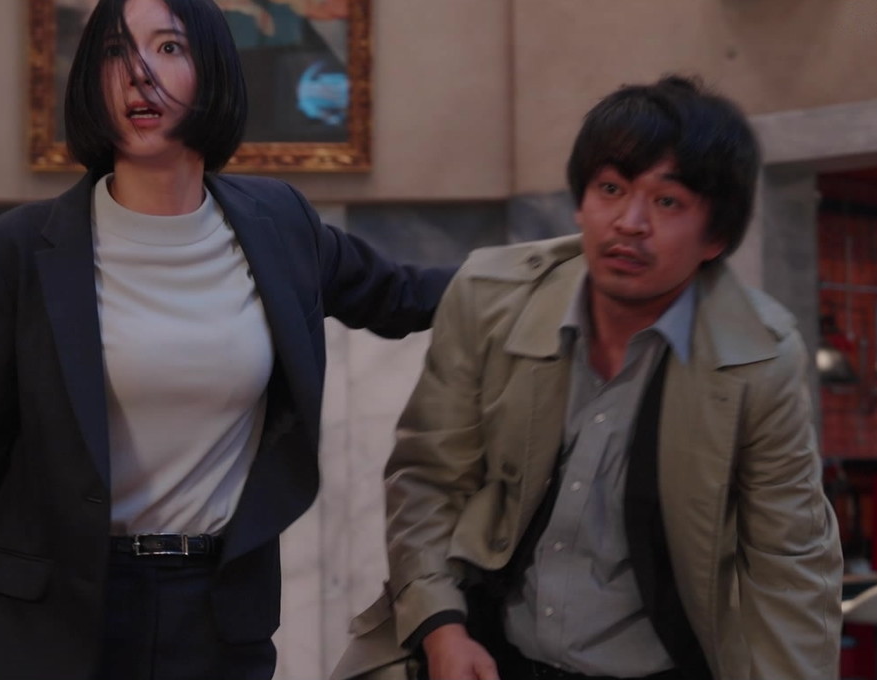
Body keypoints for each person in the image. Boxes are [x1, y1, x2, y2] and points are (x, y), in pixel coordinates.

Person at [0, 0, 451, 680]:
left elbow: (403, 295)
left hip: (217, 614)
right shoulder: (14, 252)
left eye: (168, 47)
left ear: (214, 71)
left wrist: (555, 268)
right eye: (115, 51)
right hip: (49, 620)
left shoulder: (279, 224)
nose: (139, 74)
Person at [334, 76, 843, 680]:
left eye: (668, 201)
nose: (630, 222)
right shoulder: (492, 298)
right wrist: (441, 628)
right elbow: (428, 479)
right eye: (611, 189)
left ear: (716, 238)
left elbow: (789, 561)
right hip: (492, 653)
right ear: (581, 203)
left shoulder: (757, 356)